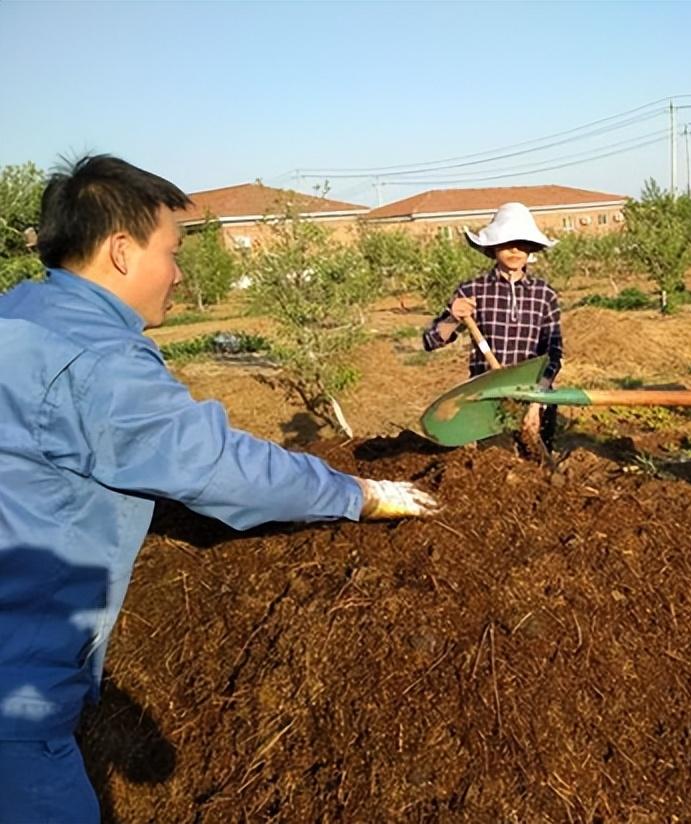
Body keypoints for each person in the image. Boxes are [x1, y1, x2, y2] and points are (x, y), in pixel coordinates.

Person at [0, 155, 438, 824]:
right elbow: (212, 465)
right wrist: (355, 492)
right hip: (15, 692)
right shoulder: (97, 362)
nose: (178, 273)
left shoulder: (23, 314)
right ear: (120, 251)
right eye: (171, 251)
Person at [422, 202, 563, 451]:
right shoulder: (472, 291)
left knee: (540, 475)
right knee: (497, 474)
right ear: (493, 247)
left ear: (531, 248)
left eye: (522, 243)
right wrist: (452, 318)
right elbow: (431, 341)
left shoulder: (544, 294)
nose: (515, 250)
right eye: (507, 242)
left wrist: (536, 402)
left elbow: (553, 353)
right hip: (489, 402)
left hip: (534, 396)